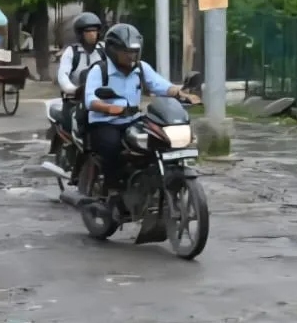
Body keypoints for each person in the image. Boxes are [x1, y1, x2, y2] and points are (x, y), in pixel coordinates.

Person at [83, 24, 198, 214]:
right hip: (105, 123)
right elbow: (90, 100)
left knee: (156, 142)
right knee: (112, 148)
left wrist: (181, 93)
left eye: (134, 52)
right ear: (113, 50)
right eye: (126, 52)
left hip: (133, 120)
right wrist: (110, 108)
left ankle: (149, 184)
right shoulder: (100, 70)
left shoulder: (141, 68)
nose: (131, 56)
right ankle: (113, 191)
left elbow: (162, 86)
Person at [55, 12, 104, 137]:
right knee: (71, 128)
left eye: (95, 31)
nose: (92, 34)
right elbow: (62, 75)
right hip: (75, 100)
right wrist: (73, 89)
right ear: (80, 34)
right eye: (88, 32)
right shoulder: (72, 52)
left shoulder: (103, 50)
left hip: (99, 99)